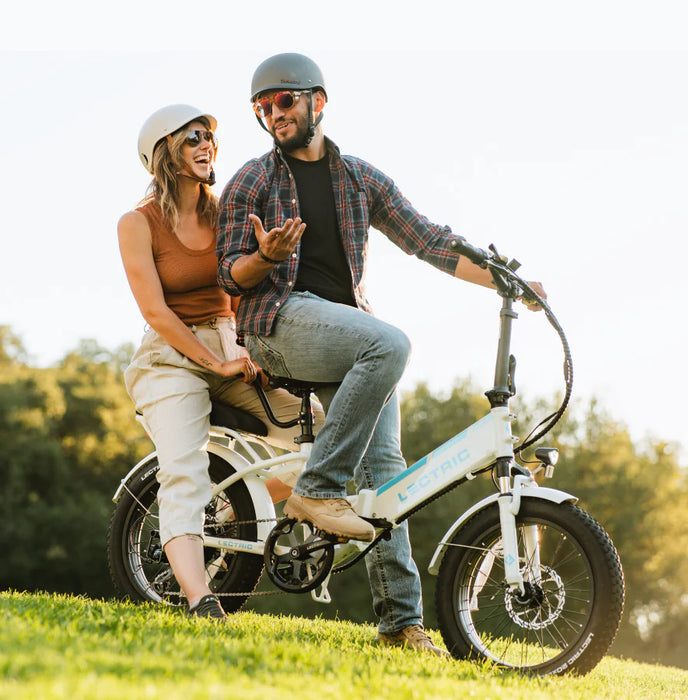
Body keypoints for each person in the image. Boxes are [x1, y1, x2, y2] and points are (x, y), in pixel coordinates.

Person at [217, 54, 545, 652]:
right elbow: (232, 277)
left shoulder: (360, 178)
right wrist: (265, 256)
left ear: (319, 100)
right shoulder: (251, 180)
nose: (272, 115)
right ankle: (317, 489)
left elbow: (429, 241)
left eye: (283, 102)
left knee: (391, 479)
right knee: (391, 342)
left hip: (346, 337)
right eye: (261, 108)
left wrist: (503, 278)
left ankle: (402, 624)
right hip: (277, 325)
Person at [118, 104, 324, 620]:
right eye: (193, 136)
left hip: (231, 346)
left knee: (314, 430)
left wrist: (247, 349)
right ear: (165, 153)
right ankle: (199, 598)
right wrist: (214, 360)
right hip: (170, 358)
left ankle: (231, 512)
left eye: (209, 135)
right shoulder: (136, 224)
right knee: (183, 471)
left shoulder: (228, 207)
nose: (206, 143)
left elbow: (241, 283)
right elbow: (155, 311)